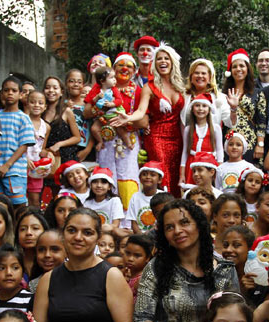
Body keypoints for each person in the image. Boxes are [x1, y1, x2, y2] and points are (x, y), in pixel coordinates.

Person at [114, 45, 185, 196]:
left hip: (177, 138)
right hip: (156, 137)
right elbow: (140, 111)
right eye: (159, 58)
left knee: (175, 176)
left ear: (172, 62)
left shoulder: (180, 87)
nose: (163, 61)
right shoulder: (149, 87)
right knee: (161, 174)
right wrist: (128, 118)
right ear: (154, 63)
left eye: (166, 58)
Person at [87, 53, 147, 208]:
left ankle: (129, 217)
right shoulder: (98, 88)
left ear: (134, 71)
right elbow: (87, 112)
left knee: (127, 178)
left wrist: (126, 120)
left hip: (127, 138)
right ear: (113, 69)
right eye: (121, 65)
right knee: (106, 175)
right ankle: (106, 213)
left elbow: (145, 120)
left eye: (129, 66)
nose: (125, 69)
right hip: (106, 137)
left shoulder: (138, 91)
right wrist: (100, 111)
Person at [0, 76, 36, 208]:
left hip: (14, 170)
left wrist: (7, 165)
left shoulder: (23, 118)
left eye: (14, 90)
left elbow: (24, 145)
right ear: (2, 93)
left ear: (20, 94)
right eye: (6, 90)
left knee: (18, 205)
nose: (10, 93)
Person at [222, 49, 260, 160]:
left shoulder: (257, 93)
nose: (238, 69)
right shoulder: (224, 93)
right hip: (229, 142)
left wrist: (260, 144)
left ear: (247, 69)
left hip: (250, 142)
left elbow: (261, 121)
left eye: (242, 66)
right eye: (234, 67)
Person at [180, 58, 236, 131]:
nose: (200, 76)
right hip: (187, 140)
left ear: (210, 78)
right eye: (196, 73)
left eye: (203, 73)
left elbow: (231, 123)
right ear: (191, 78)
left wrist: (233, 108)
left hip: (210, 141)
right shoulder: (183, 97)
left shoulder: (219, 98)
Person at [180, 94, 223, 186]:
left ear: (209, 109)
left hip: (209, 164)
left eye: (204, 106)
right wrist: (182, 174)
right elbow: (185, 152)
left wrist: (219, 169)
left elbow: (219, 150)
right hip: (192, 164)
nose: (200, 109)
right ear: (192, 108)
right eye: (197, 105)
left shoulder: (215, 128)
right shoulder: (188, 129)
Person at [24, 90, 52, 209]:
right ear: (27, 103)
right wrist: (24, 158)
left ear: (45, 107)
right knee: (19, 200)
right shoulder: (22, 121)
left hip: (36, 168)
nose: (36, 105)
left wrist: (49, 154)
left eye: (40, 103)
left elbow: (42, 149)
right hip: (21, 166)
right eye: (33, 102)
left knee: (35, 201)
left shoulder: (46, 126)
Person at [84, 167, 127, 239]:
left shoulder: (115, 201)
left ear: (109, 186)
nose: (99, 185)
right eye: (95, 182)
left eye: (103, 182)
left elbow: (115, 225)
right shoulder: (87, 203)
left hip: (110, 236)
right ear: (90, 185)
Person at [63, 69, 93, 162]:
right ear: (66, 83)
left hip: (84, 148)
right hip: (65, 147)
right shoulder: (62, 104)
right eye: (71, 81)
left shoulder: (88, 105)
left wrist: (87, 150)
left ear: (83, 85)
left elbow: (93, 128)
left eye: (79, 82)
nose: (76, 84)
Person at [126, 162, 164, 234]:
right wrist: (141, 236)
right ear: (140, 178)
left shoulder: (162, 196)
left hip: (157, 233)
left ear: (159, 180)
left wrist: (149, 233)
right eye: (144, 174)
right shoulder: (135, 197)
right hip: (139, 234)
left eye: (152, 175)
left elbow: (163, 220)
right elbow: (133, 223)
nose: (148, 177)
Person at [28, 229, 66, 294]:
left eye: (54, 249)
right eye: (41, 250)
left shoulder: (75, 280)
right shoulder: (33, 285)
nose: (47, 255)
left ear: (67, 252)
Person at [15, 208, 48, 279]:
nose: (28, 233)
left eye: (35, 228)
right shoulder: (12, 261)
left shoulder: (51, 261)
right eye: (23, 229)